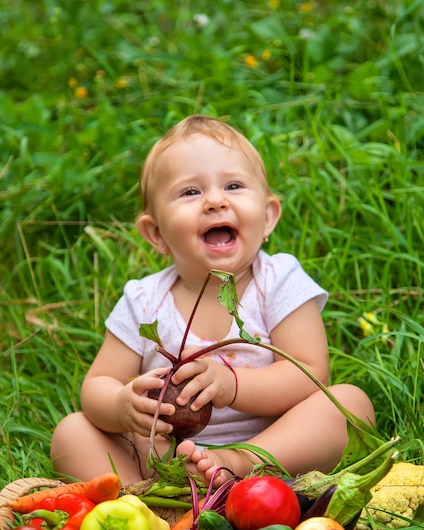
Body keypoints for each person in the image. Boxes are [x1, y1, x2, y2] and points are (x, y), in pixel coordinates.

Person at [50, 114, 375, 487]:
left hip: (267, 447)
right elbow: (97, 383)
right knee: (71, 433)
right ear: (155, 233)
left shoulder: (279, 280)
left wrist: (232, 385)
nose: (215, 201)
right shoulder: (143, 299)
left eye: (234, 185)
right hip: (159, 458)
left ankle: (234, 465)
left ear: (268, 217)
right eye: (191, 192)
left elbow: (309, 372)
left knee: (350, 404)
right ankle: (143, 502)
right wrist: (122, 405)